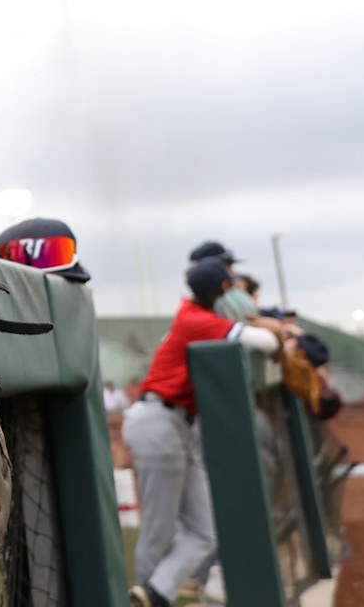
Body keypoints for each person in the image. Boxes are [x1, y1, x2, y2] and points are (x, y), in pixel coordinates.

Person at [121, 257, 288, 607]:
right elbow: (269, 343)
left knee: (206, 530)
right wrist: (263, 322)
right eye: (229, 286)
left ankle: (155, 593)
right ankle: (146, 595)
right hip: (157, 421)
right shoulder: (198, 319)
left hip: (175, 424)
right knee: (160, 526)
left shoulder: (194, 312)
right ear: (221, 289)